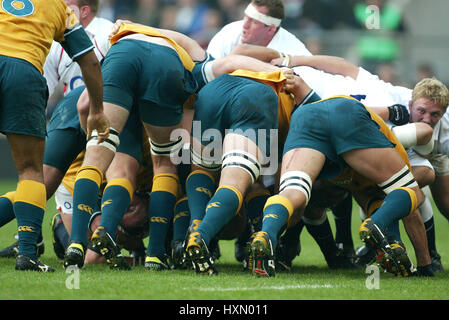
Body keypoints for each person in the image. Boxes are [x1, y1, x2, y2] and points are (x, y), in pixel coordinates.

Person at [250, 91, 425, 278]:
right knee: (414, 193)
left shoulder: (359, 168)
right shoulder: (392, 151)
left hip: (305, 116)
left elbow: (368, 197)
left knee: (293, 192)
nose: (333, 204)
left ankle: (265, 235)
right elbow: (408, 210)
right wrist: (425, 264)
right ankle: (377, 225)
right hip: (345, 112)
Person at [0, 0, 108, 272]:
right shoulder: (59, 8)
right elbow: (90, 61)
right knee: (30, 171)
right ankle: (27, 253)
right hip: (23, 73)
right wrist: (97, 109)